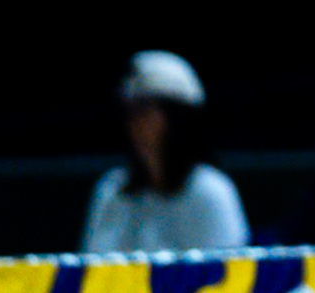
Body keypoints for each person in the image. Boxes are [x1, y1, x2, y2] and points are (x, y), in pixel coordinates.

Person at [81, 50, 249, 252]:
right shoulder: (112, 189)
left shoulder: (210, 191)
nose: (135, 123)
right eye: (130, 111)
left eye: (145, 110)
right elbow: (90, 269)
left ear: (177, 117)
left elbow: (226, 275)